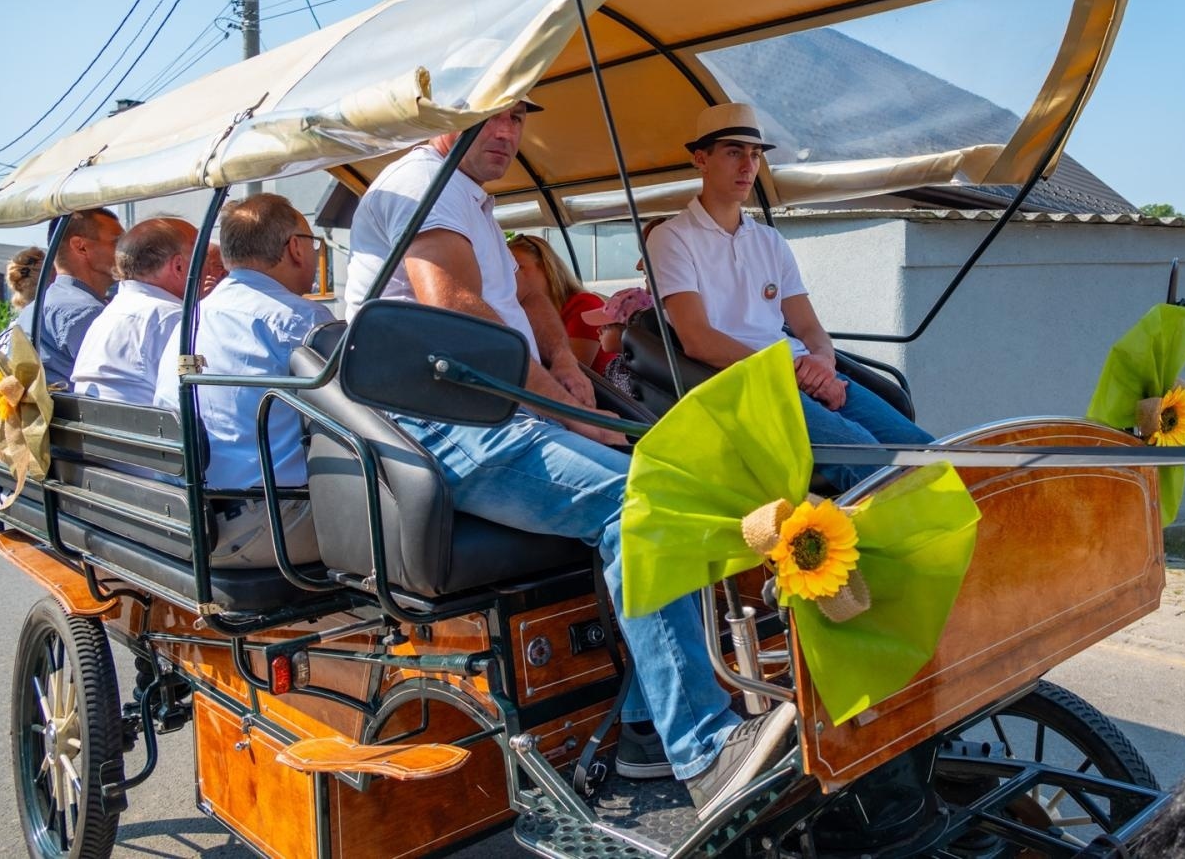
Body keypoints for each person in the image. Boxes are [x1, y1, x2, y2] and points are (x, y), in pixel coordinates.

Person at [345, 103, 797, 819]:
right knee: (642, 503)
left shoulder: (467, 198)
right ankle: (704, 749)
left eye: (517, 118)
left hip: (497, 410)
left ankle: (648, 728)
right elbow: (456, 313)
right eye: (490, 117)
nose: (507, 133)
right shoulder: (419, 185)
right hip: (446, 425)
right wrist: (565, 410)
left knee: (679, 480)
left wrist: (564, 363)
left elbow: (526, 292)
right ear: (444, 116)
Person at [647, 102, 934, 491]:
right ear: (701, 159)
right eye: (733, 153)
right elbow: (698, 340)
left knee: (925, 450)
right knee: (866, 458)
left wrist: (823, 362)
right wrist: (794, 373)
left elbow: (809, 327)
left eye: (755, 154)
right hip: (743, 383)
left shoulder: (769, 240)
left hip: (800, 372)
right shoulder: (671, 237)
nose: (748, 166)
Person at [153, 194, 330, 568]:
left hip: (193, 520)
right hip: (275, 524)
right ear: (296, 248)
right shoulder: (301, 319)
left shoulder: (190, 319)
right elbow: (366, 415)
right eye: (314, 244)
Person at [72, 217, 197, 405]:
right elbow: (199, 399)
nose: (209, 268)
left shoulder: (108, 314)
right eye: (201, 257)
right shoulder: (175, 319)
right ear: (178, 266)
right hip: (153, 423)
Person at [0, 208, 123, 386]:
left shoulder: (32, 310)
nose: (126, 250)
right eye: (117, 241)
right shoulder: (85, 313)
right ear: (80, 246)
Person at [507, 232, 615, 374]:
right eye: (505, 271)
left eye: (518, 267)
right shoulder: (521, 313)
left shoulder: (585, 305)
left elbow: (570, 373)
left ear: (546, 267)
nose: (511, 276)